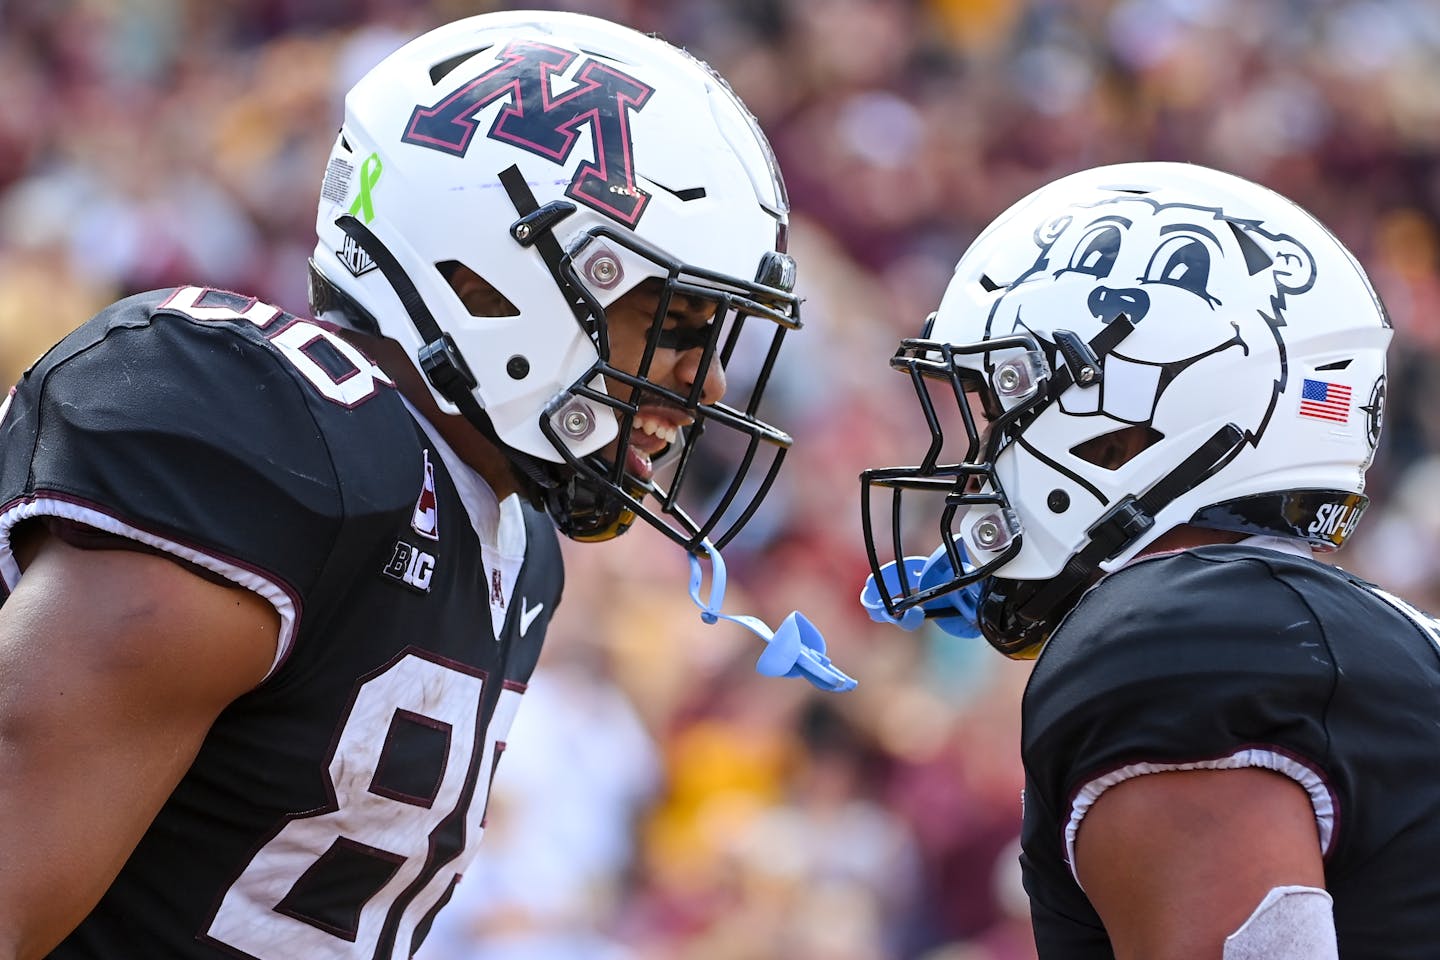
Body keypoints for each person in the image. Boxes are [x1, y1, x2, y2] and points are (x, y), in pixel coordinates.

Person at [0, 11, 852, 960]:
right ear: (495, 279)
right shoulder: (264, 433)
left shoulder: (514, 542)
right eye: (676, 320)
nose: (705, 381)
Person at [858, 161, 1437, 958]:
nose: (981, 462)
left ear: (1133, 418)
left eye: (1002, 412)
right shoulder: (1341, 630)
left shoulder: (1174, 644)